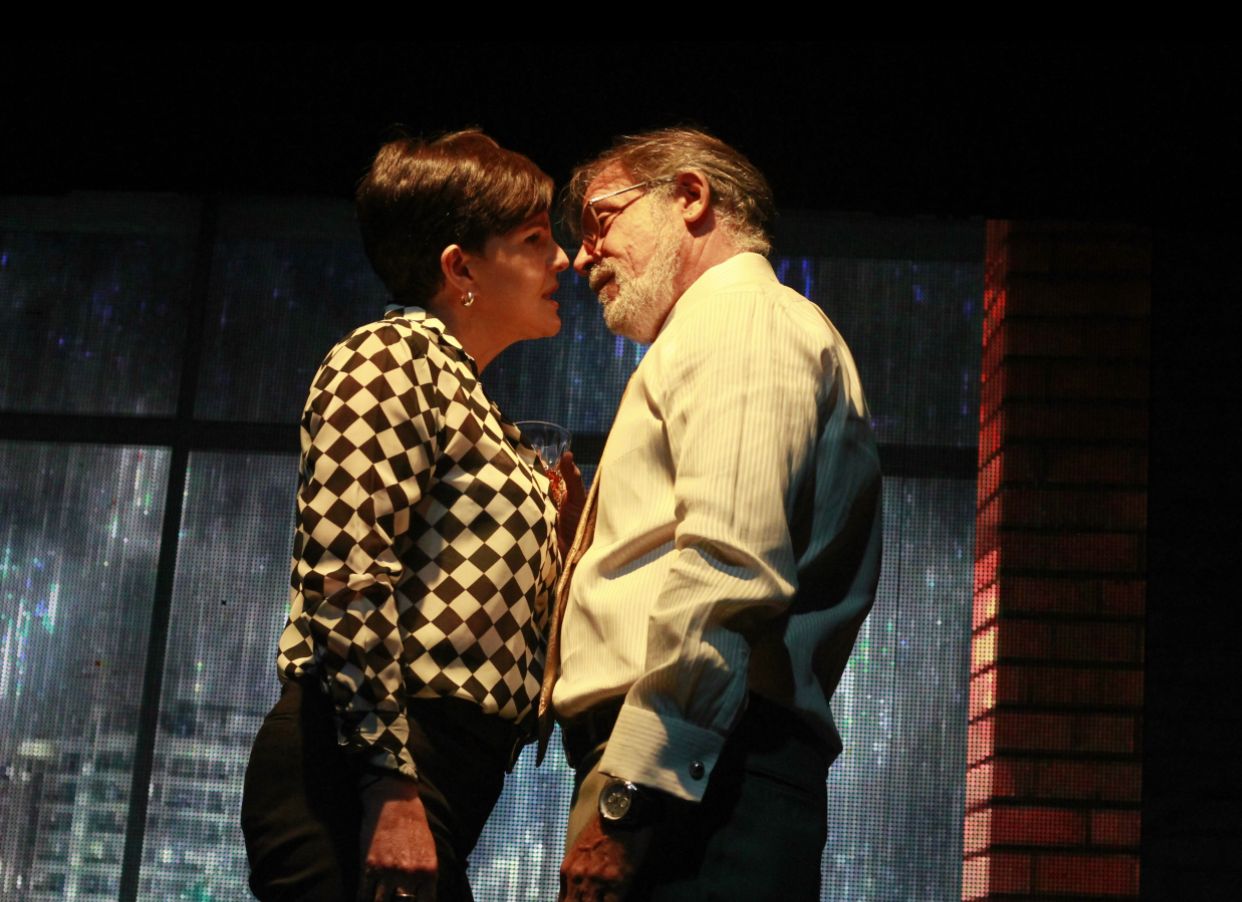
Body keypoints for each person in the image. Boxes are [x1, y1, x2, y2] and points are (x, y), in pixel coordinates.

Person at [241, 129, 582, 902]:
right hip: (357, 773)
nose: (562, 259)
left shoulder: (468, 395)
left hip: (427, 777)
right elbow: (346, 576)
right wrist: (389, 787)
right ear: (460, 268)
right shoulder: (391, 355)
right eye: (534, 240)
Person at [545, 128, 883, 901]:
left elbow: (729, 566)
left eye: (600, 220)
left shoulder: (737, 319)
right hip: (695, 767)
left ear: (690, 197)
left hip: (700, 783)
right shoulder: (723, 328)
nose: (582, 256)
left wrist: (630, 798)